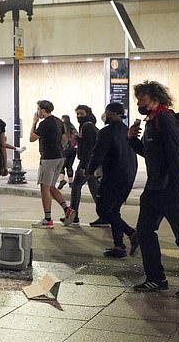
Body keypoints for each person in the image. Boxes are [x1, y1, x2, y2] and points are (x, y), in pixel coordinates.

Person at [128, 81, 179, 296]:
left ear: (155, 98)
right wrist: (132, 141)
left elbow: (175, 153)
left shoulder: (165, 118)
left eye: (142, 99)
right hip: (154, 188)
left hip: (169, 188)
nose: (139, 103)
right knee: (144, 232)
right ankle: (156, 278)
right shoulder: (152, 121)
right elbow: (152, 153)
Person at [86, 103, 138, 258]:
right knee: (114, 210)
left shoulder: (106, 132)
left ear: (115, 114)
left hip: (113, 176)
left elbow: (98, 154)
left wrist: (89, 171)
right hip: (127, 175)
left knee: (103, 210)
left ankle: (132, 233)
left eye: (108, 112)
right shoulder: (126, 131)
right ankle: (119, 246)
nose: (105, 115)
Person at [30, 100, 76, 228]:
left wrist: (34, 122)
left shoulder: (44, 123)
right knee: (51, 186)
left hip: (49, 158)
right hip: (60, 156)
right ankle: (67, 209)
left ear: (43, 110)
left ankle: (47, 219)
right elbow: (64, 139)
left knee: (44, 188)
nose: (38, 112)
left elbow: (32, 138)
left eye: (38, 109)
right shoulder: (58, 121)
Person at [68, 105, 105, 227]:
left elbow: (89, 147)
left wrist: (84, 166)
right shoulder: (89, 125)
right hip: (91, 161)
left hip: (87, 161)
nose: (79, 116)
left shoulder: (87, 126)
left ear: (87, 113)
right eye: (77, 114)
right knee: (94, 188)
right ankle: (104, 215)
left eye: (81, 114)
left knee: (76, 186)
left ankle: (74, 216)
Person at [57, 114, 78, 189]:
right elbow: (77, 136)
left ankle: (62, 180)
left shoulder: (61, 128)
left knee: (61, 167)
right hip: (73, 150)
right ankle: (71, 182)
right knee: (69, 166)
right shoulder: (72, 127)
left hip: (64, 150)